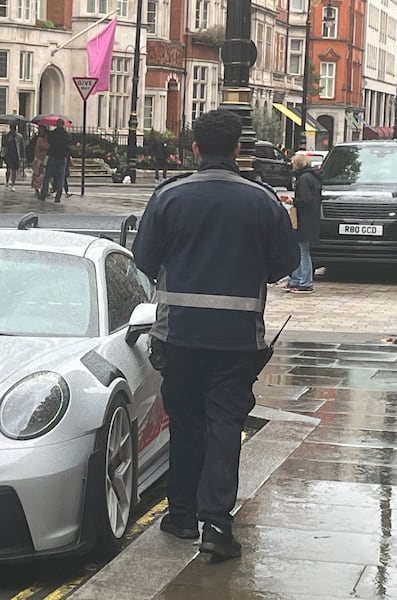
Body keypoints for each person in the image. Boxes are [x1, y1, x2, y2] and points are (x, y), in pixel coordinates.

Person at [132, 109, 299, 561]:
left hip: (179, 334)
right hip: (237, 337)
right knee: (225, 425)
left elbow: (143, 259)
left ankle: (181, 515)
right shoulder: (262, 200)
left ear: (195, 149)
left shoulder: (169, 196)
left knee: (185, 424)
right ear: (238, 150)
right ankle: (217, 526)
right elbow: (285, 264)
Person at [282, 152, 322, 293]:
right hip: (310, 219)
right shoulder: (312, 177)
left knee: (302, 251)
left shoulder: (304, 179)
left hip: (304, 219)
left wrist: (292, 201)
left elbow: (305, 200)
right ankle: (297, 280)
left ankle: (304, 282)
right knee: (301, 250)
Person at [39, 119, 71, 203]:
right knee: (61, 177)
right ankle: (58, 196)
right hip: (62, 157)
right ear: (63, 124)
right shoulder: (66, 135)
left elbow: (49, 141)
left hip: (53, 156)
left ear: (57, 124)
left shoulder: (52, 134)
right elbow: (68, 144)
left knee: (47, 176)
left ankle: (43, 194)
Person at [3, 123, 24, 191]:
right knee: (8, 169)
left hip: (16, 154)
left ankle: (13, 184)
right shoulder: (6, 135)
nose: (13, 130)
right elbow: (3, 144)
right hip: (8, 154)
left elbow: (22, 147)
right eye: (12, 128)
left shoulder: (19, 136)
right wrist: (9, 140)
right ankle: (7, 181)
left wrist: (22, 156)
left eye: (14, 128)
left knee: (14, 170)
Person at [30, 125, 49, 197]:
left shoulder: (48, 140)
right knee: (37, 174)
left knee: (44, 174)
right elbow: (39, 148)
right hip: (39, 158)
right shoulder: (39, 139)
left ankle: (43, 188)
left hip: (45, 158)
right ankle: (37, 188)